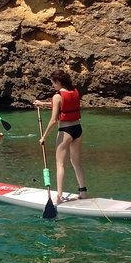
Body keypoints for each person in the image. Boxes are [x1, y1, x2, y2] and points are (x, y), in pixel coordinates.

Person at [33, 70, 88, 205]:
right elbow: (62, 106)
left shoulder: (57, 96)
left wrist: (44, 137)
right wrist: (42, 103)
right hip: (78, 129)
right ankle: (83, 192)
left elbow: (53, 120)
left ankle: (59, 197)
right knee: (75, 162)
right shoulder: (74, 92)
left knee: (60, 164)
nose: (53, 86)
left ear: (58, 82)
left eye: (53, 83)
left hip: (65, 131)